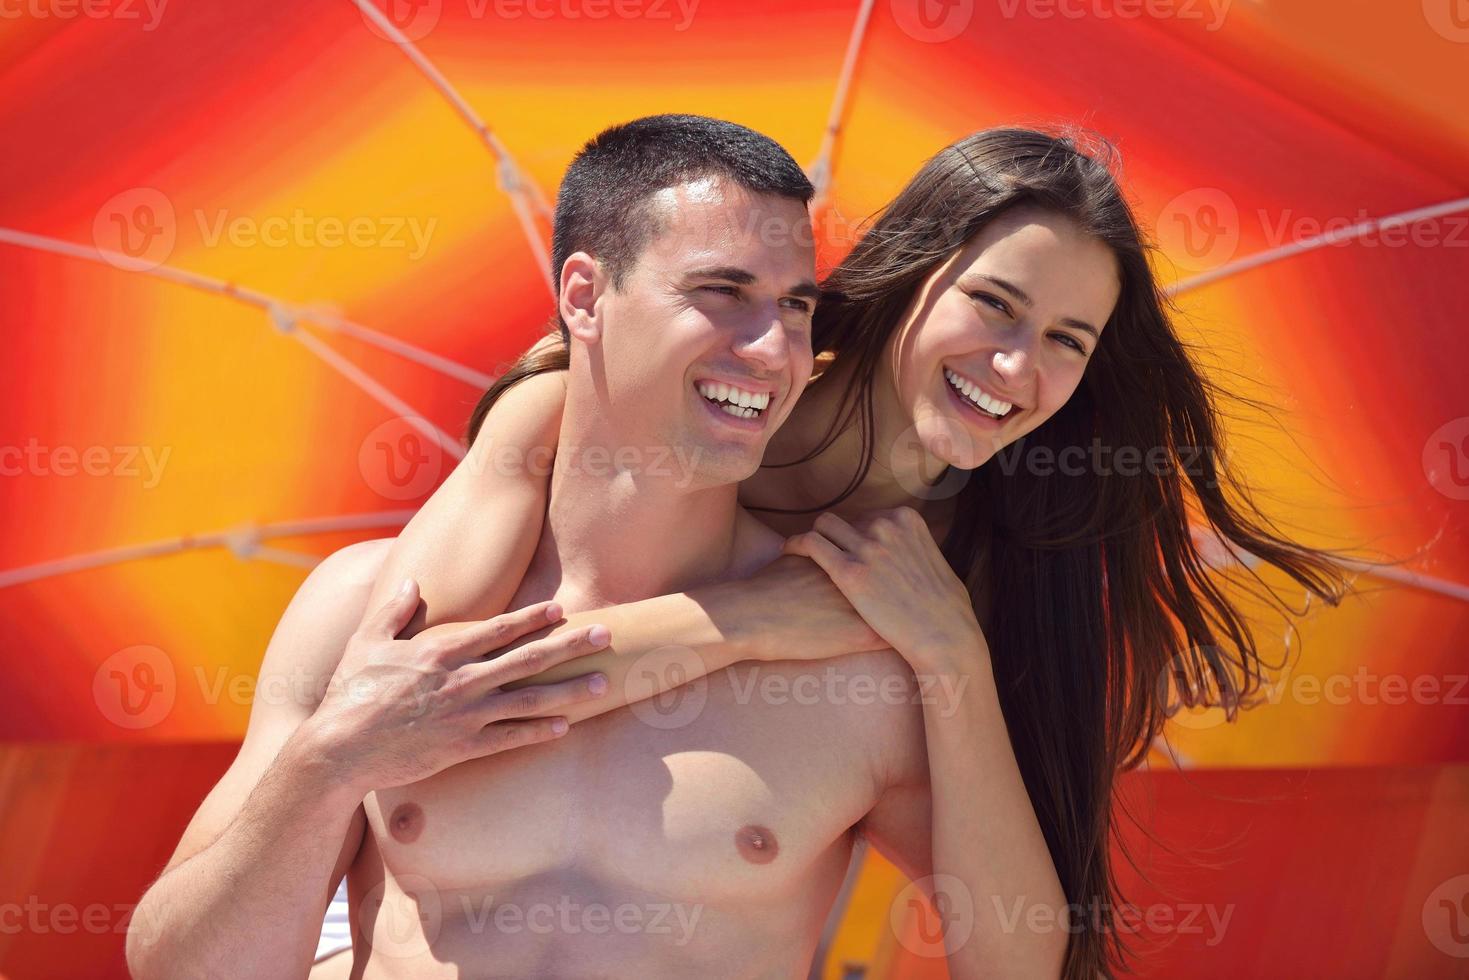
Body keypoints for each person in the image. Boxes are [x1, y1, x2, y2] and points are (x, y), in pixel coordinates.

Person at [309, 125, 1352, 978]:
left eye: (1065, 343)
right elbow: (425, 665)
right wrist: (764, 616)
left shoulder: (991, 565)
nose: (1012, 364)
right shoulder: (680, 384)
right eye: (993, 304)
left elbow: (1019, 957)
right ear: (912, 273)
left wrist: (951, 658)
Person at [130, 115, 1024, 979]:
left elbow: (1018, 957)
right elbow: (181, 968)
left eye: (794, 305)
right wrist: (333, 764)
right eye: (723, 293)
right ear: (585, 297)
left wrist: (957, 660)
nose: (772, 348)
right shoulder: (361, 608)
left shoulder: (851, 654)